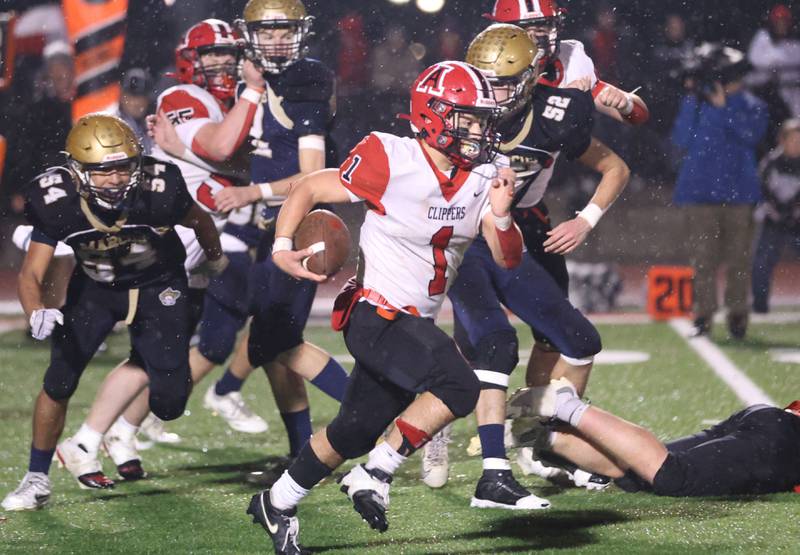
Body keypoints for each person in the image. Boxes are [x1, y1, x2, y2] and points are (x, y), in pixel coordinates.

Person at [247, 60, 532, 554]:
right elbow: (311, 185)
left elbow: (508, 258)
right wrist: (281, 246)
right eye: (467, 119)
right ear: (433, 116)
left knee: (351, 431)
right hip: (373, 313)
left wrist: (503, 217)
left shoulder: (485, 176)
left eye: (482, 120)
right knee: (459, 385)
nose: (479, 131)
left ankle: (276, 501)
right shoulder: (389, 156)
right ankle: (375, 475)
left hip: (412, 324)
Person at [51, 18, 272, 487]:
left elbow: (235, 163)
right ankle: (83, 441)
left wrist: (218, 159)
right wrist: (252, 96)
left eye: (229, 54)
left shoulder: (227, 102)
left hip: (191, 247)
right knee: (142, 351)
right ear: (190, 60)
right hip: (159, 246)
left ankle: (122, 433)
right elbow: (223, 146)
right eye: (211, 54)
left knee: (158, 356)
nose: (222, 63)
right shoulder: (183, 98)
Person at [420, 24, 630, 502]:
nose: (491, 94)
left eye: (504, 82)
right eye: (485, 80)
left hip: (520, 229)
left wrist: (586, 220)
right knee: (485, 341)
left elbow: (618, 160)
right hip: (465, 235)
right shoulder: (462, 112)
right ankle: (460, 443)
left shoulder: (556, 114)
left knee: (576, 340)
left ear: (533, 77)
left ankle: (533, 432)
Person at [1, 114, 225, 510]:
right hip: (97, 289)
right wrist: (36, 309)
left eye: (123, 168)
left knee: (170, 403)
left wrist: (215, 261)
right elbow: (32, 271)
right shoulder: (57, 201)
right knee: (59, 379)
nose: (116, 179)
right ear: (77, 170)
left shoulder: (160, 187)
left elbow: (201, 221)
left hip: (159, 284)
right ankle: (36, 477)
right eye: (103, 171)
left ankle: (116, 426)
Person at [177, 0, 350, 472]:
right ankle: (302, 441)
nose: (276, 39)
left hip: (297, 224)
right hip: (257, 227)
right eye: (267, 30)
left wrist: (250, 190)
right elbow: (236, 149)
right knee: (272, 341)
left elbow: (312, 175)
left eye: (285, 29)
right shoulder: (246, 79)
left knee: (278, 339)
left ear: (302, 31)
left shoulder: (306, 79)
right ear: (248, 34)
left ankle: (369, 412)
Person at [508, 379, 800, 497]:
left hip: (775, 424)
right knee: (671, 475)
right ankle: (565, 405)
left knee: (635, 474)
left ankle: (541, 436)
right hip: (786, 444)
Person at [671, 44, 769, 339]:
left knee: (739, 259)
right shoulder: (696, 103)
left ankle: (738, 316)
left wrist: (723, 107)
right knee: (702, 260)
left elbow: (751, 135)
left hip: (738, 194)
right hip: (699, 192)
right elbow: (680, 137)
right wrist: (693, 97)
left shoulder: (753, 104)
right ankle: (703, 316)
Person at [752, 118, 800, 313]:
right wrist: (779, 212)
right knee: (761, 262)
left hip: (797, 222)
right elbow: (762, 193)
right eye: (794, 140)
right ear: (782, 140)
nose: (797, 145)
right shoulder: (770, 162)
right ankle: (760, 305)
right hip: (774, 221)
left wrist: (794, 211)